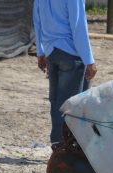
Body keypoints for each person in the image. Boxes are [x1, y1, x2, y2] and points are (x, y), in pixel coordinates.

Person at [33, 0, 97, 148]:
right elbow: (78, 26)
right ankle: (62, 146)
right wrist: (89, 60)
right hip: (70, 53)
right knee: (71, 105)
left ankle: (58, 143)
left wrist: (41, 52)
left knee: (57, 102)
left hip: (51, 52)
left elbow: (37, 20)